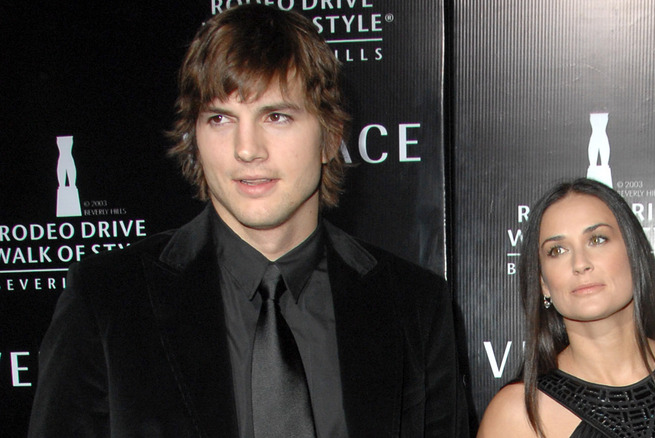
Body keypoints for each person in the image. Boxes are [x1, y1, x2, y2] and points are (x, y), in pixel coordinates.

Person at [28, 5, 467, 437]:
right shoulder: (108, 300)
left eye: (276, 116)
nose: (247, 149)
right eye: (220, 119)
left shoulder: (413, 306)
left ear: (330, 137)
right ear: (194, 138)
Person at [478, 178, 655, 438]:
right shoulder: (517, 415)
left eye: (597, 239)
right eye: (557, 250)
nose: (580, 263)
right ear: (543, 284)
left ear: (633, 255)